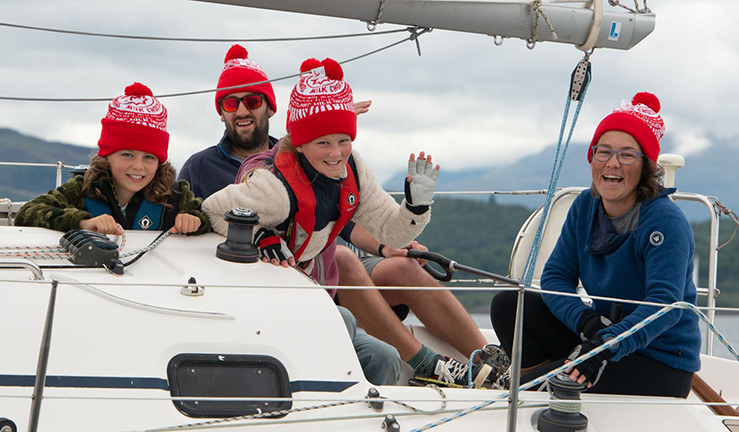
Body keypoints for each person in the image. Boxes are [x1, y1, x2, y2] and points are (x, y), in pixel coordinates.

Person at [189, 45, 498, 387]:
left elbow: (362, 221)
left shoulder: (344, 167)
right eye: (231, 103)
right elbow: (206, 214)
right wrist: (256, 233)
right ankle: (427, 363)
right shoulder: (261, 182)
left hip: (318, 274)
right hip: (274, 289)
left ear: (270, 107)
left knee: (395, 294)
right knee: (346, 284)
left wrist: (414, 209)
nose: (336, 152)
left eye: (343, 140)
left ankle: (491, 363)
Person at [490, 92, 700, 397]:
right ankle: (534, 379)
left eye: (627, 155)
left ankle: (533, 384)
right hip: (600, 335)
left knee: (536, 387)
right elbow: (555, 278)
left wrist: (606, 346)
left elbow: (665, 306)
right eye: (604, 152)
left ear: (645, 167)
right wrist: (586, 322)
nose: (612, 163)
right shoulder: (585, 207)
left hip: (659, 361)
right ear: (592, 159)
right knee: (510, 306)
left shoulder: (665, 221)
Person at [16, 83, 209, 236]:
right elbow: (29, 212)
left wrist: (195, 220)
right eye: (127, 154)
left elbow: (211, 217)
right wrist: (83, 222)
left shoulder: (176, 195)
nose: (138, 166)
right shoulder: (83, 189)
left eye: (149, 157)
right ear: (107, 155)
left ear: (159, 163)